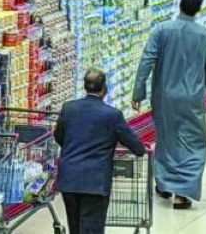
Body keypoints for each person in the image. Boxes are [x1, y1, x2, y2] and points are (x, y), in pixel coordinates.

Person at [131, 0, 206, 209]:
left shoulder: (162, 30)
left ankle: (164, 183)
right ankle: (182, 193)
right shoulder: (205, 36)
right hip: (192, 98)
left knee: (166, 137)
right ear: (198, 9)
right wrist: (202, 88)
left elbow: (147, 61)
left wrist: (138, 92)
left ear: (179, 5)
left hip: (164, 96)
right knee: (194, 142)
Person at [54, 69, 147, 234]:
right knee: (92, 229)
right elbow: (137, 148)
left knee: (75, 227)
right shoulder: (112, 115)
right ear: (104, 88)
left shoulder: (68, 108)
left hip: (69, 179)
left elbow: (59, 137)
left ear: (84, 86)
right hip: (95, 182)